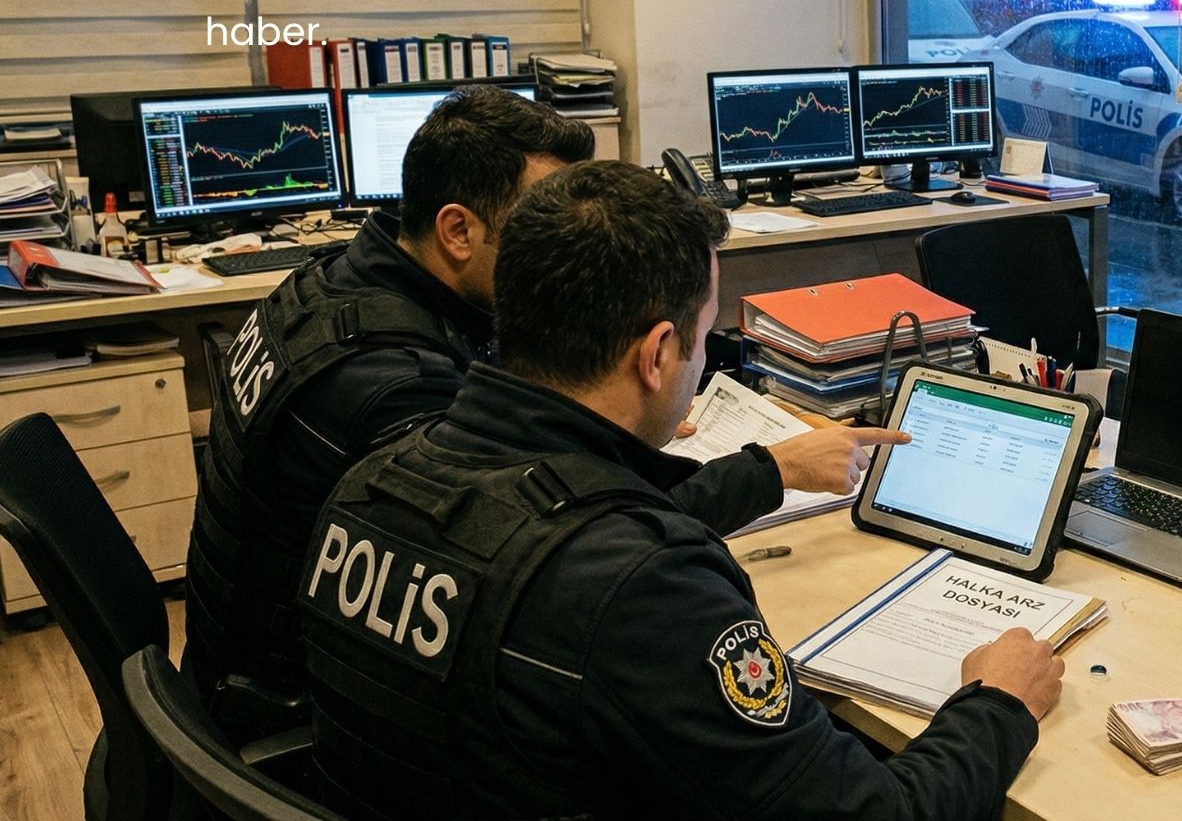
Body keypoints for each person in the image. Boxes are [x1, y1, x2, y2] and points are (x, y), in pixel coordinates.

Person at [297, 162, 1065, 819]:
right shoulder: (646, 589)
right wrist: (998, 706)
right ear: (658, 354)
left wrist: (770, 470)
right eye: (705, 338)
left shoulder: (378, 477)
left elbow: (573, 542)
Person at [184, 86, 859, 739]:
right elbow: (532, 548)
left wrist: (597, 403)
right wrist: (765, 472)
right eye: (540, 219)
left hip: (274, 675)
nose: (561, 240)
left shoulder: (335, 285)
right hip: (308, 719)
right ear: (456, 229)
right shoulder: (392, 387)